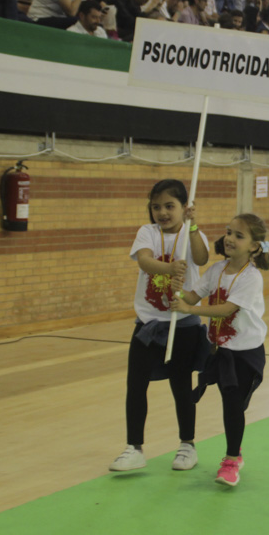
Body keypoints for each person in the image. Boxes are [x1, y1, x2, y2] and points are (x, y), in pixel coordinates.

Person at [108, 179, 210, 473]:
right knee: (136, 385)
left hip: (184, 324)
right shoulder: (147, 232)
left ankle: (187, 445)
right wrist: (169, 268)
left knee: (181, 386)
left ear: (184, 207)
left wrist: (193, 227)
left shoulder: (193, 234)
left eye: (170, 206)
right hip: (149, 325)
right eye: (156, 207)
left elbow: (202, 258)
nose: (163, 212)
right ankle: (134, 448)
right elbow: (144, 262)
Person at [171, 213, 269, 488]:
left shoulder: (251, 277)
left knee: (234, 405)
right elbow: (192, 296)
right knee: (231, 405)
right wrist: (177, 291)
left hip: (246, 351)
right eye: (229, 232)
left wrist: (190, 310)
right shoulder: (216, 270)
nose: (230, 238)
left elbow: (228, 309)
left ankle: (231, 459)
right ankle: (233, 454)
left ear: (253, 246)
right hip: (221, 349)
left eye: (239, 235)